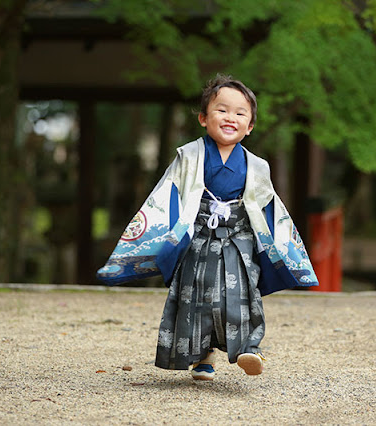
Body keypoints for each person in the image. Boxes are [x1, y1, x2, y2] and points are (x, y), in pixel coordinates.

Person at [97, 75, 318, 381]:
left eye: (240, 113)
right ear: (203, 118)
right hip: (198, 239)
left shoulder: (257, 166)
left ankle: (248, 349)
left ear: (250, 125)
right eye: (222, 110)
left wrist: (284, 250)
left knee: (242, 294)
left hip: (239, 241)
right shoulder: (188, 156)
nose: (231, 118)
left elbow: (270, 210)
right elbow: (166, 197)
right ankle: (203, 357)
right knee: (197, 299)